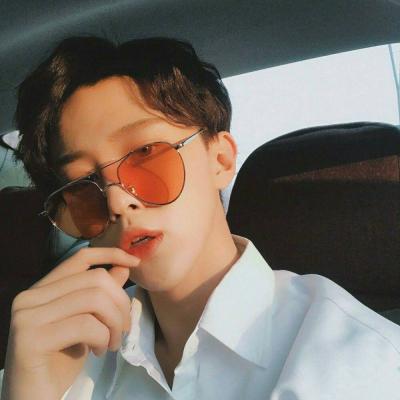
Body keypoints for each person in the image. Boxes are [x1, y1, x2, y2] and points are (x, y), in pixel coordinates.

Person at [0, 36, 399, 400]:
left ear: (220, 159)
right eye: (84, 186)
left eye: (145, 154)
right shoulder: (57, 359)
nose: (117, 201)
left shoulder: (362, 364)